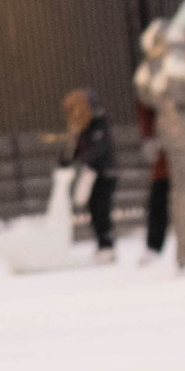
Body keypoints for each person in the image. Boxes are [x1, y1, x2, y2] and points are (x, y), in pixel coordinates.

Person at [132, 3, 185, 268]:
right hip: (184, 133)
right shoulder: (177, 59)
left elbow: (145, 99)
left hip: (168, 133)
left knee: (178, 193)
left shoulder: (152, 65)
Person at [60, 87, 116, 254]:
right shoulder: (82, 129)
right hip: (90, 174)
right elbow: (74, 150)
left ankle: (106, 244)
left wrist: (86, 159)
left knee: (102, 209)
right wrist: (65, 160)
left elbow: (99, 148)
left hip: (104, 173)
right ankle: (102, 243)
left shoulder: (99, 124)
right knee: (93, 208)